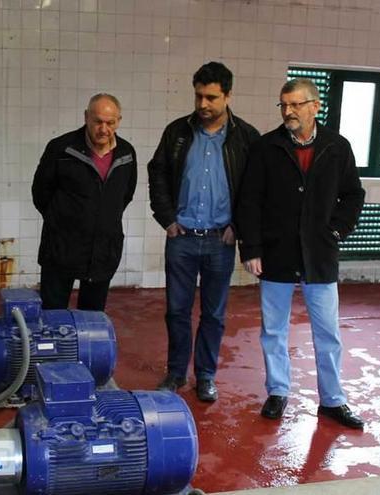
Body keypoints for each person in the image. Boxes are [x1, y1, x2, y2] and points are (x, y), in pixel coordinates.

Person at [235, 78, 366, 428]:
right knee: (273, 330)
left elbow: (353, 195)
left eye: (295, 105)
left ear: (315, 106)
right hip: (276, 254)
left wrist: (336, 229)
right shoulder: (266, 148)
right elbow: (248, 201)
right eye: (283, 105)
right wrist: (251, 247)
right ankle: (278, 392)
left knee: (328, 333)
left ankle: (333, 400)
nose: (288, 111)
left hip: (319, 256)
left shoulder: (337, 147)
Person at [148, 62, 259, 402]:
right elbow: (158, 175)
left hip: (219, 242)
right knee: (177, 310)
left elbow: (255, 190)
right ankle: (177, 372)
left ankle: (206, 376)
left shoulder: (246, 137)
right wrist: (167, 218)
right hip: (181, 238)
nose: (203, 105)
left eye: (211, 97)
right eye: (198, 96)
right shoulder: (177, 132)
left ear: (228, 95)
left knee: (213, 314)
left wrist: (238, 228)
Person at [32, 93, 137, 311]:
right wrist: (62, 221)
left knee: (93, 320)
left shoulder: (127, 153)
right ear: (86, 117)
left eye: (110, 123)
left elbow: (125, 195)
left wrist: (103, 219)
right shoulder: (61, 149)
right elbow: (41, 193)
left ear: (119, 121)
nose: (104, 129)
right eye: (98, 121)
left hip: (103, 250)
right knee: (53, 315)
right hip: (61, 247)